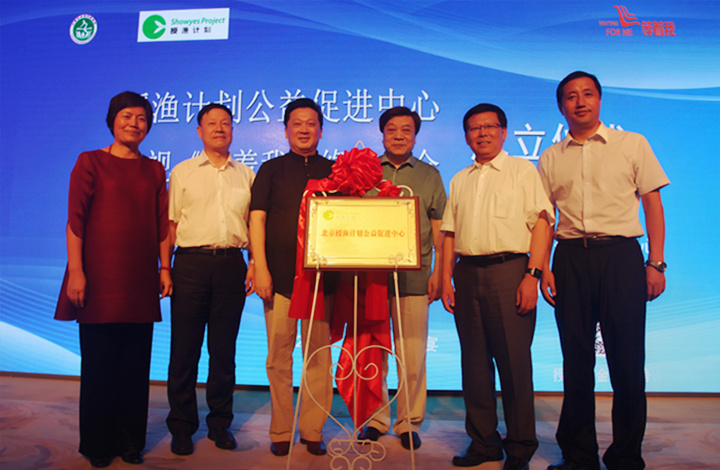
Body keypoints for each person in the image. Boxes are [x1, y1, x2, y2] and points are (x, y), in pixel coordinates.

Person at [538, 71, 669, 470]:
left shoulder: (632, 144)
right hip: (570, 258)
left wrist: (656, 262)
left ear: (599, 100)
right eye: (571, 96)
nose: (580, 102)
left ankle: (626, 455)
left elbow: (652, 203)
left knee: (627, 361)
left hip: (620, 257)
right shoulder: (551, 157)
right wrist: (542, 267)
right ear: (561, 107)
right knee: (576, 361)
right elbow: (545, 217)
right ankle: (579, 455)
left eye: (588, 94)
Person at [54, 91, 172, 468]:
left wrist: (164, 268)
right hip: (99, 277)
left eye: (141, 118)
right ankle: (97, 444)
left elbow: (162, 225)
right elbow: (76, 220)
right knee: (100, 367)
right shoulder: (90, 161)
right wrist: (76, 271)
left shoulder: (154, 170)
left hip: (139, 279)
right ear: (112, 121)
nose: (134, 124)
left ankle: (130, 442)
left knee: (135, 367)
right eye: (126, 116)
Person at [441, 103, 553, 470]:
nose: (483, 133)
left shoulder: (522, 171)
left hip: (511, 271)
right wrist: (445, 279)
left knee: (514, 364)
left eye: (490, 126)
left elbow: (541, 223)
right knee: (474, 365)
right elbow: (449, 233)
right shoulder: (460, 179)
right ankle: (484, 442)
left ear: (504, 132)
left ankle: (520, 446)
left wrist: (532, 275)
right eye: (475, 128)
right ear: (466, 136)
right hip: (467, 273)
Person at [165, 103, 255, 456]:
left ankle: (220, 423)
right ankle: (181, 425)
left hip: (231, 265)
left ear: (233, 130)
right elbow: (171, 225)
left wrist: (253, 263)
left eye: (225, 123)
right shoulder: (183, 172)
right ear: (199, 131)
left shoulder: (245, 174)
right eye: (212, 123)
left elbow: (252, 225)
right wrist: (164, 268)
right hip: (190, 264)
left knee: (223, 350)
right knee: (184, 350)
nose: (220, 128)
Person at [249, 98, 334, 457]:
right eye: (296, 123)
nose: (303, 129)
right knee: (278, 359)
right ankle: (281, 430)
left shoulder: (334, 170)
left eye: (311, 123)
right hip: (279, 280)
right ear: (285, 130)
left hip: (321, 283)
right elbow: (257, 219)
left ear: (320, 130)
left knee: (319, 358)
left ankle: (312, 429)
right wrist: (260, 267)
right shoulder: (270, 169)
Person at [359, 106, 446, 450]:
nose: (398, 136)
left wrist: (440, 272)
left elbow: (439, 228)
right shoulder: (367, 171)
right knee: (374, 352)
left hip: (415, 278)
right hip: (371, 279)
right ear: (382, 135)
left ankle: (409, 421)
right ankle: (375, 419)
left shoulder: (429, 175)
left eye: (406, 130)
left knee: (412, 353)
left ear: (415, 136)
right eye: (392, 129)